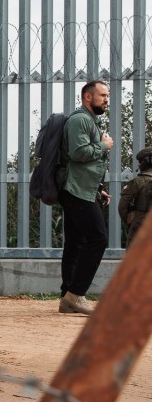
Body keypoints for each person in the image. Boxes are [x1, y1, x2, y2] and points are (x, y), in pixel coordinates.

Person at [57, 81, 113, 315]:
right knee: (98, 238)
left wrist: (97, 188)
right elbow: (78, 153)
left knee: (75, 243)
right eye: (102, 95)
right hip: (74, 190)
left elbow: (81, 165)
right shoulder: (80, 120)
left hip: (80, 187)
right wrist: (103, 146)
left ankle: (67, 295)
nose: (106, 99)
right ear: (88, 97)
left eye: (107, 95)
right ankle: (75, 295)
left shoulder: (89, 120)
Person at [118, 147, 152, 249]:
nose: (138, 164)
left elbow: (122, 207)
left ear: (146, 162)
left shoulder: (137, 181)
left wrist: (132, 221)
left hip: (140, 225)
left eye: (140, 161)